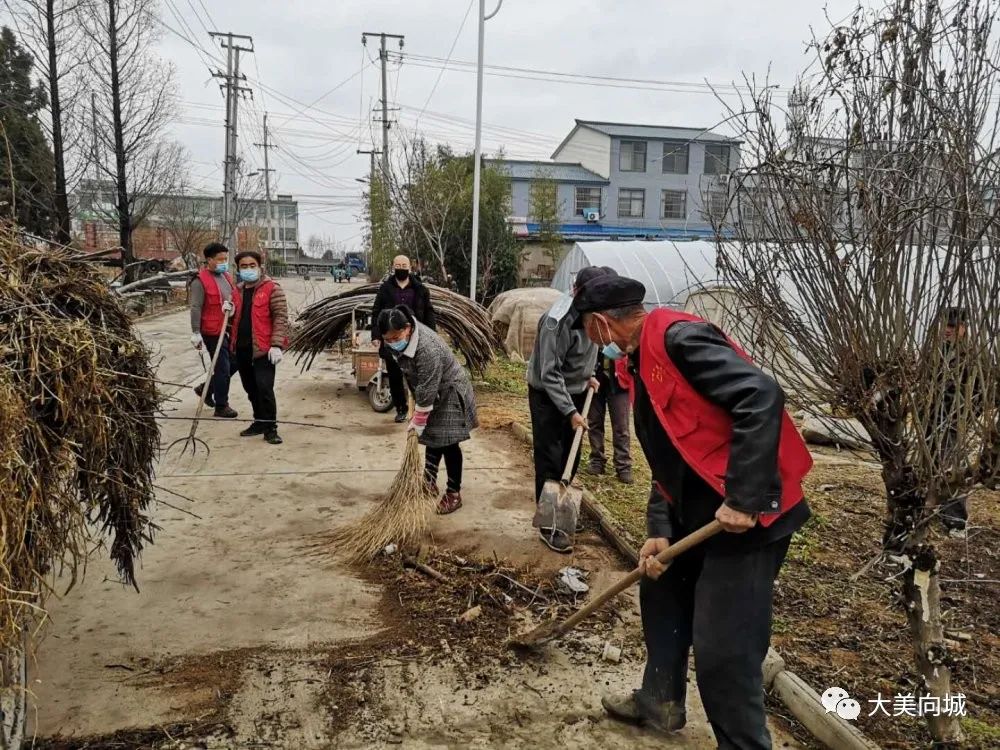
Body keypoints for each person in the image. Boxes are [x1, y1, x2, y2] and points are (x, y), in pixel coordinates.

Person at [572, 275, 812, 750]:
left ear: (601, 324)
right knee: (660, 586)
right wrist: (661, 527)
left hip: (747, 522)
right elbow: (672, 453)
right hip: (695, 513)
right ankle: (659, 700)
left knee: (724, 650)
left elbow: (760, 396)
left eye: (585, 329)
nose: (587, 340)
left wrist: (744, 498)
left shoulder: (682, 340)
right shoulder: (638, 363)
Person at [526, 265, 611, 553]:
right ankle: (549, 525)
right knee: (550, 457)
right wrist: (570, 413)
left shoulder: (595, 313)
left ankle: (561, 508)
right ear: (579, 294)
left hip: (576, 391)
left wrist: (589, 374)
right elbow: (550, 374)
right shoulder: (556, 322)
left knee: (570, 458)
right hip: (547, 395)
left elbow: (594, 346)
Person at [378, 305, 478, 514]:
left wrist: (418, 419)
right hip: (429, 389)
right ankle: (429, 482)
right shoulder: (394, 342)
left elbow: (428, 386)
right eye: (388, 340)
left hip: (450, 390)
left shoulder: (427, 348)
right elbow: (412, 375)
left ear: (407, 328)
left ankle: (453, 493)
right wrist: (416, 409)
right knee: (433, 437)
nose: (393, 343)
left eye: (397, 338)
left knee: (448, 442)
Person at [228, 250, 289, 445]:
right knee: (250, 388)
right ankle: (259, 421)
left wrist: (276, 344)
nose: (248, 269)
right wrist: (227, 312)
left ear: (260, 267)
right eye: (243, 266)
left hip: (264, 349)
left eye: (251, 265)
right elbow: (234, 320)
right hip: (242, 347)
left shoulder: (272, 289)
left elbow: (280, 317)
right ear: (238, 269)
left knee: (264, 388)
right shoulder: (236, 291)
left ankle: (271, 427)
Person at [371, 255, 437, 423]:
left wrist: (431, 334)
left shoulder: (420, 289)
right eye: (398, 265)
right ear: (393, 267)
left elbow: (428, 312)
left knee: (416, 375)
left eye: (404, 265)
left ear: (410, 267)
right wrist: (376, 335)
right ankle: (401, 408)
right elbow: (376, 311)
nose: (401, 267)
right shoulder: (385, 288)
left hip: (414, 338)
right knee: (394, 375)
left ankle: (419, 409)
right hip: (392, 340)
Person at [928, 306, 971, 537]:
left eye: (953, 326)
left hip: (955, 422)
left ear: (963, 328)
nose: (948, 330)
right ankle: (927, 512)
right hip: (931, 420)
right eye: (945, 325)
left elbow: (976, 393)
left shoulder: (970, 358)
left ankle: (955, 520)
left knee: (952, 468)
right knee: (930, 464)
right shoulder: (935, 353)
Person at [189, 242, 238, 419]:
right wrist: (195, 332)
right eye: (220, 259)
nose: (224, 262)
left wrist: (232, 308)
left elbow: (233, 297)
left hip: (228, 327)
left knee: (235, 362)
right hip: (211, 330)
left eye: (226, 258)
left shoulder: (225, 276)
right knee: (223, 367)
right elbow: (195, 307)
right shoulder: (199, 281)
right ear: (209, 260)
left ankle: (206, 388)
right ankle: (221, 405)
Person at [586, 349, 633, 484]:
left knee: (621, 425)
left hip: (619, 380)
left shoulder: (622, 329)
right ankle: (597, 460)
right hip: (595, 377)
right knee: (594, 422)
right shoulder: (594, 330)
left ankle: (623, 466)